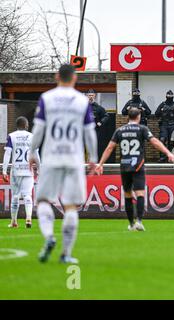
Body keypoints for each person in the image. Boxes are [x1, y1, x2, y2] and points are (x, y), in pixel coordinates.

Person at [29, 64, 98, 264]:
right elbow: (89, 132)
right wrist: (93, 158)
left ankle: (49, 236)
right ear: (75, 78)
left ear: (56, 76)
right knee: (71, 207)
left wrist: (33, 152)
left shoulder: (47, 98)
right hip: (74, 158)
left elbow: (39, 129)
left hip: (51, 157)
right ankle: (66, 254)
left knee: (42, 200)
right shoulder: (82, 101)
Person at [96, 108, 174, 231]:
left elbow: (109, 148)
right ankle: (139, 221)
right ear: (138, 116)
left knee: (127, 194)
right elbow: (154, 142)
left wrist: (100, 164)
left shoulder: (120, 130)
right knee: (140, 193)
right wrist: (168, 153)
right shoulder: (142, 129)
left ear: (128, 116)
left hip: (124, 166)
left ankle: (131, 224)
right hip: (138, 165)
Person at [2, 117, 39, 228]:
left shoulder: (11, 136)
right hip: (28, 170)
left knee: (15, 196)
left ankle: (14, 222)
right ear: (26, 125)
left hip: (16, 171)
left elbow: (7, 154)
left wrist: (4, 171)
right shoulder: (32, 137)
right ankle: (28, 218)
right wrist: (39, 169)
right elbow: (36, 155)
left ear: (17, 125)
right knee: (27, 195)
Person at [155, 90, 174, 162]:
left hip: (172, 125)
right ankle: (162, 157)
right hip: (164, 125)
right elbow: (156, 114)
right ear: (166, 96)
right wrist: (161, 110)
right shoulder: (163, 104)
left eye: (171, 96)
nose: (169, 97)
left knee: (171, 141)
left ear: (173, 97)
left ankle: (171, 156)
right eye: (168, 96)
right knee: (162, 140)